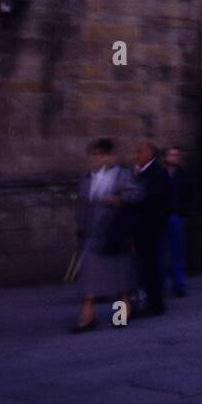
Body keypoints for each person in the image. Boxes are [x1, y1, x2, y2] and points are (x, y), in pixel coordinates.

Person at [73, 138, 139, 332]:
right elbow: (82, 206)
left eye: (100, 154)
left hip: (114, 234)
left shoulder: (121, 175)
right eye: (93, 155)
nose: (96, 158)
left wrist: (118, 199)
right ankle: (87, 317)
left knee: (119, 278)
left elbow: (137, 194)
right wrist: (80, 227)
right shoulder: (87, 178)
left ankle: (121, 315)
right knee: (88, 278)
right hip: (91, 236)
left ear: (109, 156)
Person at [133, 141, 170, 316]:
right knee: (146, 265)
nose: (137, 156)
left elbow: (152, 196)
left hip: (151, 226)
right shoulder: (144, 172)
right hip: (143, 226)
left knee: (152, 265)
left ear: (149, 154)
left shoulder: (156, 172)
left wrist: (136, 183)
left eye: (140, 152)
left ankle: (156, 303)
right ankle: (151, 300)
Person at [162, 146, 190, 298]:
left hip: (175, 214)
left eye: (176, 155)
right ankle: (161, 284)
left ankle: (179, 284)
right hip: (161, 216)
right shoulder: (160, 173)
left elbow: (187, 193)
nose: (174, 157)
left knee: (177, 251)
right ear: (165, 157)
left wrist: (182, 208)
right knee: (161, 251)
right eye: (171, 155)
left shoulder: (181, 174)